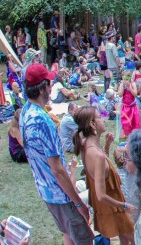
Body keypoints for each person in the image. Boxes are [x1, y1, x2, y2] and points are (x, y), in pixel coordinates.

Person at [19, 63, 94, 244]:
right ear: (41, 89)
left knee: (68, 233)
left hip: (46, 190)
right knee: (84, 239)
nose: (51, 87)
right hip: (61, 195)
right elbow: (58, 170)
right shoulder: (43, 121)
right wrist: (78, 203)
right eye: (48, 83)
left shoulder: (25, 112)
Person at [72, 106, 136, 244]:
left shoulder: (86, 145)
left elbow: (101, 170)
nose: (104, 120)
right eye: (100, 117)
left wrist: (107, 145)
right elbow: (101, 195)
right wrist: (124, 205)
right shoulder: (95, 154)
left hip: (111, 205)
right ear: (92, 124)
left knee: (126, 238)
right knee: (132, 239)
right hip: (114, 205)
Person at [118, 70, 141, 139]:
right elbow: (120, 95)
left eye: (126, 79)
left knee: (135, 121)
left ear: (130, 78)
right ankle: (127, 134)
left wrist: (129, 87)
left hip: (132, 106)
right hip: (125, 107)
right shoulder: (122, 84)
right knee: (126, 122)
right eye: (124, 79)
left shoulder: (133, 83)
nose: (125, 81)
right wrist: (122, 87)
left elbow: (135, 94)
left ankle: (135, 134)